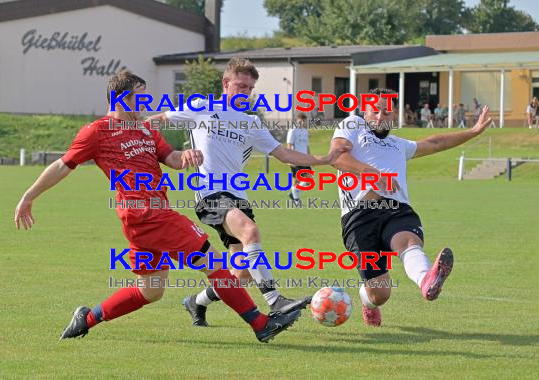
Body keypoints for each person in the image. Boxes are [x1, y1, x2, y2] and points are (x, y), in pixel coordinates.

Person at [14, 70, 302, 343]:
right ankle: (261, 325)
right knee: (214, 264)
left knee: (151, 290)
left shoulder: (144, 130)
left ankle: (87, 318)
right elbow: (64, 165)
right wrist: (29, 196)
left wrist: (186, 155)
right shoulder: (97, 131)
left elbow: (171, 159)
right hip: (147, 214)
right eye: (140, 96)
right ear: (120, 99)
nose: (146, 102)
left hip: (147, 217)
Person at [147, 58, 346, 327]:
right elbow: (157, 121)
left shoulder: (251, 123)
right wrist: (129, 136)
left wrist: (324, 159)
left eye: (250, 88)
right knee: (250, 231)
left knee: (240, 273)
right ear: (226, 83)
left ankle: (196, 302)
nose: (245, 92)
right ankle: (276, 301)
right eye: (240, 85)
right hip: (210, 194)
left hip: (238, 198)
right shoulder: (202, 107)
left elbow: (284, 153)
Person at [329, 87, 492, 327]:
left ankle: (427, 280)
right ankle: (368, 301)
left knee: (407, 241)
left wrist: (473, 131)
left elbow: (435, 142)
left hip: (396, 209)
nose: (380, 116)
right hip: (359, 217)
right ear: (365, 111)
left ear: (394, 115)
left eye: (386, 112)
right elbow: (336, 157)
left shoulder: (398, 145)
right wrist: (372, 174)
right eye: (375, 110)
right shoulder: (353, 126)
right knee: (380, 294)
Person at [287, 113, 311, 203]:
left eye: (304, 121)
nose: (303, 123)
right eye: (301, 121)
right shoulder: (293, 131)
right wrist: (289, 159)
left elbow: (307, 146)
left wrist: (310, 158)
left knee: (309, 179)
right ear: (297, 121)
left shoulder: (305, 131)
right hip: (295, 158)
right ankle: (296, 199)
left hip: (304, 159)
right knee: (296, 178)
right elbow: (289, 145)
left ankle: (294, 193)